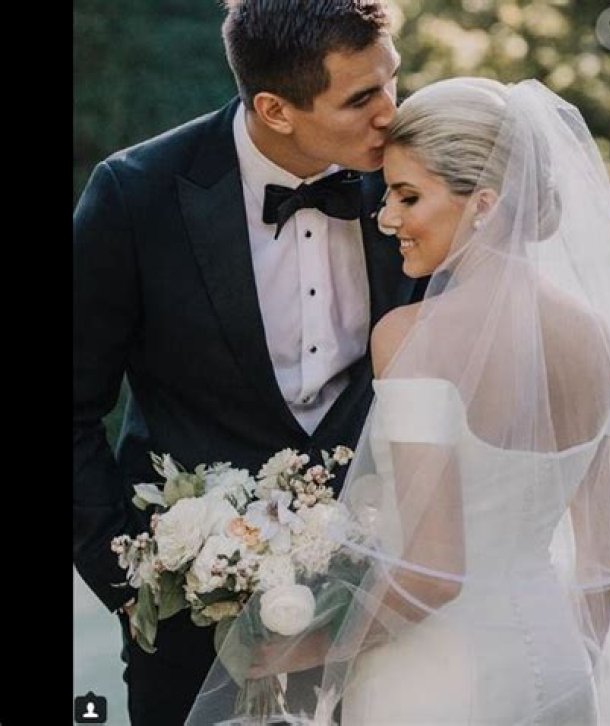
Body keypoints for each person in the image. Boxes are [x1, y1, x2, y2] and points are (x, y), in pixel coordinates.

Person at [187, 77, 610, 724]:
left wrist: (306, 647)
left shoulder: (411, 337)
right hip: (561, 670)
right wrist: (570, 671)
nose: (386, 218)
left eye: (408, 196)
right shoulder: (600, 340)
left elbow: (433, 572)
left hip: (437, 681)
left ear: (484, 204)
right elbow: (603, 564)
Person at [73, 2, 425, 724]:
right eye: (361, 97)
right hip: (190, 628)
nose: (392, 112)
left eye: (392, 78)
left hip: (379, 616)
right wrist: (128, 578)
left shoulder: (420, 178)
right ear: (275, 109)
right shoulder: (135, 195)